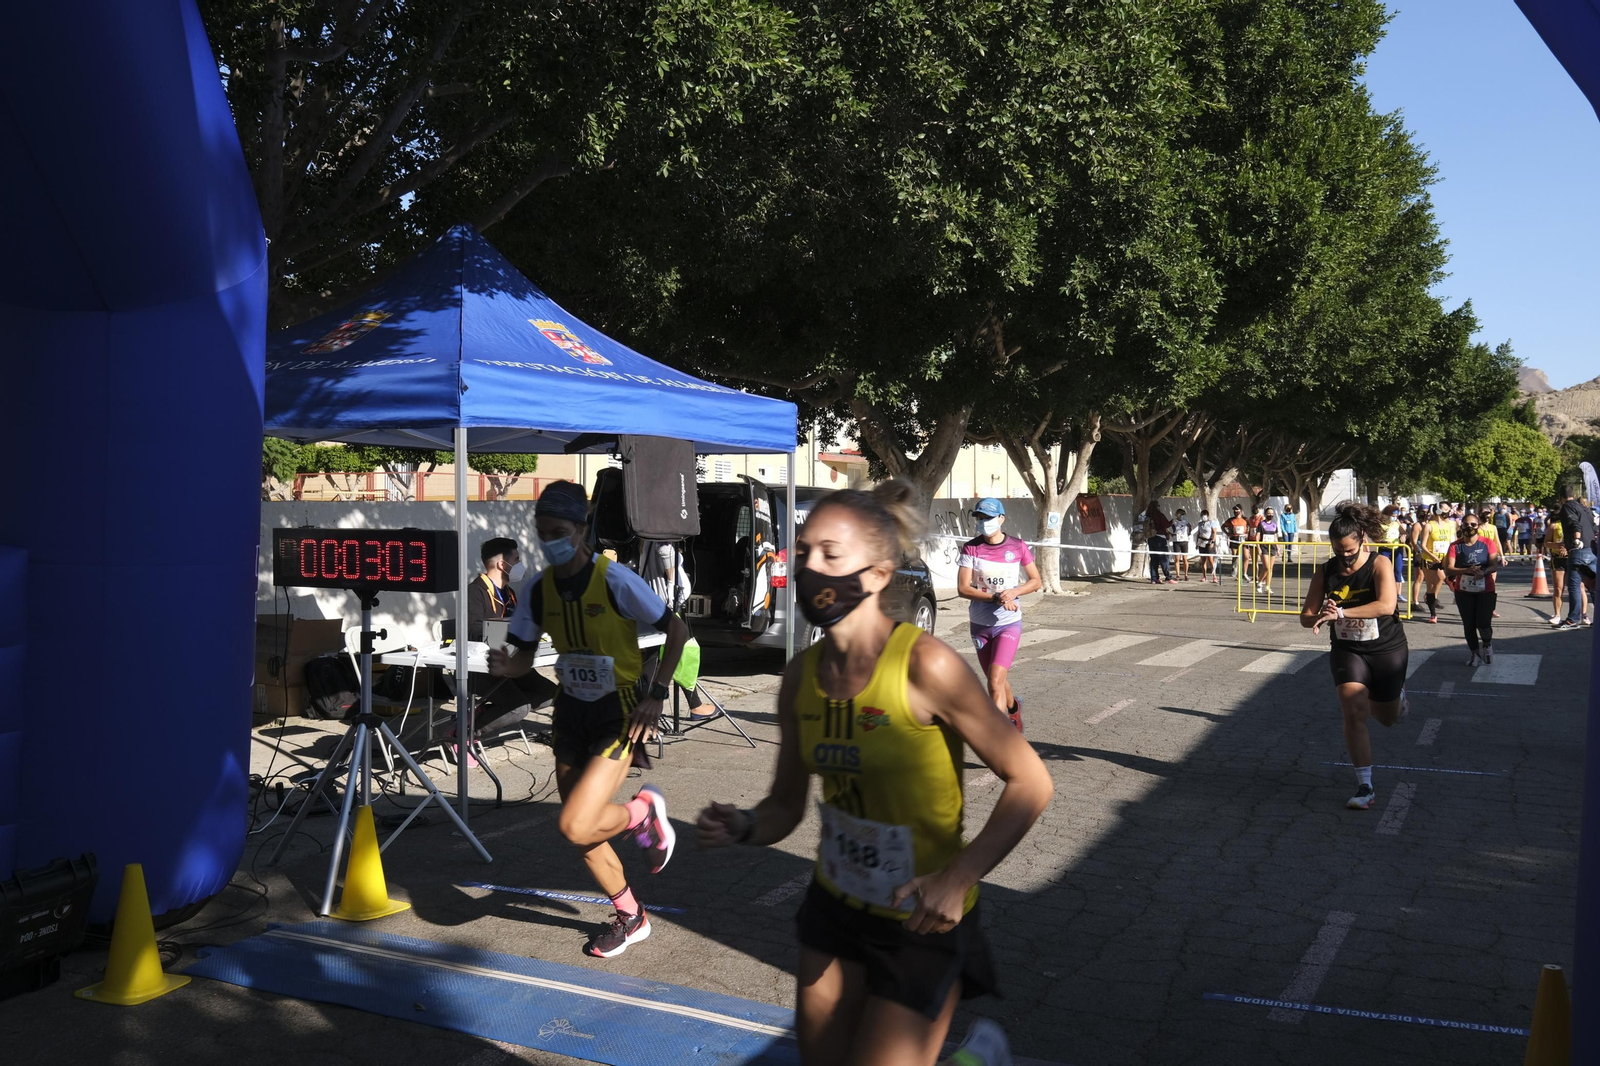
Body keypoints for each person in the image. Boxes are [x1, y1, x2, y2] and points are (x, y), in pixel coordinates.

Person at [696, 482, 1053, 1066]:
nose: (812, 567)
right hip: (835, 903)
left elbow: (1032, 780)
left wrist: (958, 878)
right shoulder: (799, 678)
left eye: (831, 555)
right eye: (805, 551)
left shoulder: (924, 665)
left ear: (880, 573)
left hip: (920, 916)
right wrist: (741, 824)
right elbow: (785, 807)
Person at [489, 481, 689, 959]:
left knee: (576, 825)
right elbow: (524, 656)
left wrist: (657, 694)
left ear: (581, 530)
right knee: (582, 831)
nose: (549, 541)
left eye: (558, 531)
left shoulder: (616, 580)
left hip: (619, 712)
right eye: (541, 533)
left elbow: (677, 630)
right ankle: (631, 916)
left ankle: (643, 814)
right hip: (570, 713)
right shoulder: (538, 588)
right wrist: (506, 665)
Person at [1300, 502, 1409, 811]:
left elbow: (1387, 606)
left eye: (1349, 550)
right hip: (1348, 650)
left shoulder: (1379, 564)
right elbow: (1306, 617)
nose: (1344, 557)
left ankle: (1398, 698)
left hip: (1386, 648)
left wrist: (1342, 612)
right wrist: (1321, 615)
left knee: (1386, 718)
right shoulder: (1326, 571)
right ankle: (1365, 785)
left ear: (1362, 538)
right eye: (1338, 551)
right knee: (1353, 710)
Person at [461, 537, 558, 752]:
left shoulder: (509, 594)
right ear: (502, 565)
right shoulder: (475, 591)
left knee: (552, 693)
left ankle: (487, 712)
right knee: (518, 708)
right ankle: (462, 733)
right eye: (517, 559)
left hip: (511, 662)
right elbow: (472, 631)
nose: (521, 564)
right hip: (483, 668)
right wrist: (509, 634)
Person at [955, 498, 1042, 731]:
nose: (983, 522)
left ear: (1001, 519)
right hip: (980, 624)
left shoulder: (1017, 546)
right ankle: (1014, 709)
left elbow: (1036, 581)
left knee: (994, 681)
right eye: (979, 517)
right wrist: (996, 597)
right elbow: (963, 588)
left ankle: (998, 738)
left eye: (988, 517)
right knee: (997, 682)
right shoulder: (971, 548)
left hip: (1008, 624)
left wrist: (1014, 592)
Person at [1443, 515, 1502, 667]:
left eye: (1473, 524)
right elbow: (1448, 568)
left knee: (1483, 623)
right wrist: (1466, 570)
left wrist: (1484, 572)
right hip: (1463, 590)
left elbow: (1494, 565)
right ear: (1461, 526)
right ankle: (1475, 653)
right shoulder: (1455, 546)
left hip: (1485, 589)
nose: (1469, 527)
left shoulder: (1487, 543)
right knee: (1468, 623)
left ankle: (1487, 645)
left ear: (1478, 526)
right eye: (1466, 524)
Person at [1556, 485, 1597, 630]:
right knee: (1593, 585)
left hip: (1578, 550)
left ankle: (1573, 619)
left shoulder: (1567, 507)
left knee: (1573, 585)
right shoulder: (1583, 507)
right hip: (1591, 549)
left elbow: (1574, 524)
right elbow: (1593, 524)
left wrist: (1576, 539)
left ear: (1561, 498)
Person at [1416, 506, 1456, 624]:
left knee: (1445, 578)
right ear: (1438, 510)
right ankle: (1433, 614)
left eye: (1448, 509)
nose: (1448, 511)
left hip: (1445, 558)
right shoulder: (1429, 526)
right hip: (1430, 559)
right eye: (1445, 509)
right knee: (1431, 586)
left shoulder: (1449, 525)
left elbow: (1452, 542)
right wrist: (1433, 556)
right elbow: (1423, 545)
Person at [1547, 506, 1568, 626]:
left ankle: (1583, 614)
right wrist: (1558, 545)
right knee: (1558, 588)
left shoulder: (1574, 526)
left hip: (1572, 558)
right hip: (1558, 559)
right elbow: (1546, 543)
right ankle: (1557, 614)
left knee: (1579, 588)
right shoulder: (1554, 525)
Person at [1255, 507, 1281, 597]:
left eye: (1272, 513)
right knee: (1266, 567)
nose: (1270, 515)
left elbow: (1275, 537)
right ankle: (1259, 582)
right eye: (1269, 513)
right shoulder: (1261, 524)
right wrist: (1258, 547)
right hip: (1264, 547)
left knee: (1270, 568)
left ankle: (1267, 586)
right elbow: (1257, 537)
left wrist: (1278, 548)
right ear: (1265, 514)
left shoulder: (1274, 525)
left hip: (1272, 547)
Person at [1146, 500, 1174, 584]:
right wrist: (1172, 521)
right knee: (1163, 559)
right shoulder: (1159, 515)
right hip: (1160, 538)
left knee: (1154, 559)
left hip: (1151, 538)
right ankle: (1168, 577)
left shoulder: (1148, 516)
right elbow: (1166, 524)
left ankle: (1154, 579)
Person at [1224, 505, 1251, 582]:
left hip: (1242, 539)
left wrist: (1247, 533)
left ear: (1241, 511)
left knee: (1241, 557)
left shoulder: (1245, 519)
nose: (1236, 512)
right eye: (1234, 511)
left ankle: (1240, 573)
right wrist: (1228, 533)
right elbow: (1223, 526)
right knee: (1235, 556)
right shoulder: (1231, 520)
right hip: (1234, 539)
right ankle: (1234, 570)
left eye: (1237, 510)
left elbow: (1251, 526)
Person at [1194, 509, 1219, 583]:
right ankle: (1204, 576)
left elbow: (1214, 533)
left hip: (1209, 542)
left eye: (1204, 515)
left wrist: (1213, 542)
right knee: (1203, 560)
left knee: (1211, 560)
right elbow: (1198, 534)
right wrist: (1197, 543)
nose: (1203, 517)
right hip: (1202, 542)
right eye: (1202, 515)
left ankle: (1214, 575)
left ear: (1207, 516)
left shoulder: (1211, 523)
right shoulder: (1200, 524)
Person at [1172, 508, 1192, 581]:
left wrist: (1189, 533)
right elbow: (1166, 526)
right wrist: (1171, 534)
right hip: (1176, 541)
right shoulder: (1174, 521)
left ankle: (1186, 574)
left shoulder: (1186, 521)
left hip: (1184, 541)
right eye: (1182, 514)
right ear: (1178, 514)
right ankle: (1177, 575)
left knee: (1185, 558)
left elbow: (1190, 527)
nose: (1183, 516)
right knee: (1177, 558)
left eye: (1184, 515)